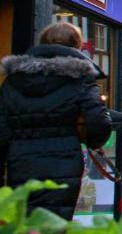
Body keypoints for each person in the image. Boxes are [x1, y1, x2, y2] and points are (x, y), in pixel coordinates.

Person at [0, 22, 112, 219]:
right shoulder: (80, 77)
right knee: (56, 221)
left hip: (21, 161)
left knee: (24, 220)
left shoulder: (13, 79)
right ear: (77, 46)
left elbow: (2, 127)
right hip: (64, 161)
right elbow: (99, 122)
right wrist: (91, 142)